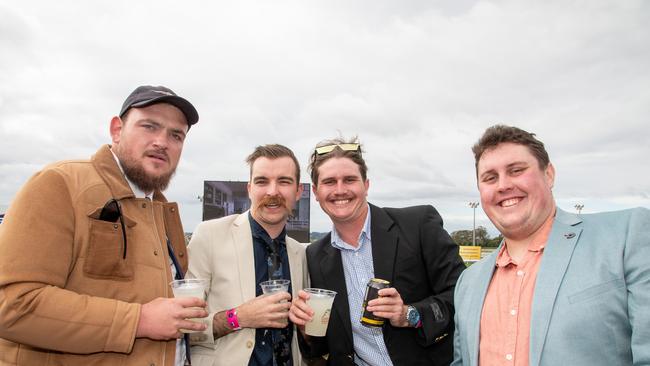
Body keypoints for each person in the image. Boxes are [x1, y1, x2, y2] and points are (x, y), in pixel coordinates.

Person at [0, 85, 208, 366]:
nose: (163, 142)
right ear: (117, 130)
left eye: (176, 135)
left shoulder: (162, 210)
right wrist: (139, 321)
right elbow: (12, 305)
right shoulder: (60, 183)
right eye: (149, 126)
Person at [451, 125, 650, 366]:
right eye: (490, 178)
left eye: (516, 170)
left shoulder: (626, 236)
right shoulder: (468, 282)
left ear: (549, 174)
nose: (503, 185)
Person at [289, 138, 466, 366]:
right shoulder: (314, 256)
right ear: (315, 191)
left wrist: (410, 314)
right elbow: (324, 345)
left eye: (350, 180)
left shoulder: (418, 225)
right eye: (329, 182)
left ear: (366, 185)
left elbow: (463, 295)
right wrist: (306, 327)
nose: (340, 190)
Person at [187, 144, 310, 366]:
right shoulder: (209, 236)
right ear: (250, 188)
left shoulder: (299, 253)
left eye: (284, 181)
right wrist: (237, 317)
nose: (272, 191)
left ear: (298, 191)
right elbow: (183, 325)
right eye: (262, 181)